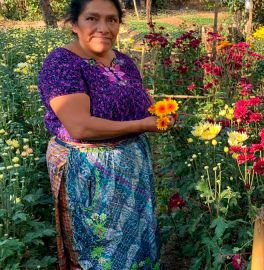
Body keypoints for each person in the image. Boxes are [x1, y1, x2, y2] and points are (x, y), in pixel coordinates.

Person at [38, 0, 167, 268]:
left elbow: (142, 104)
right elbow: (81, 126)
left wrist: (163, 113)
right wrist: (143, 125)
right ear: (74, 24)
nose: (103, 28)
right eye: (92, 19)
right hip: (90, 170)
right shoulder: (62, 63)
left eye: (112, 20)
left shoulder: (124, 62)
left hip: (133, 167)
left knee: (138, 236)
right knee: (100, 248)